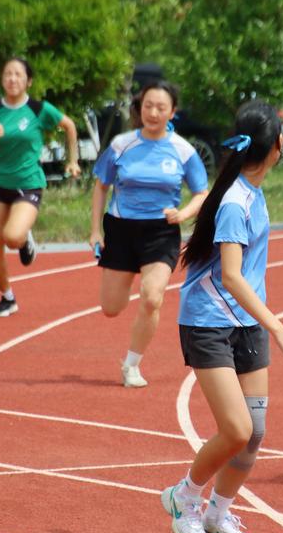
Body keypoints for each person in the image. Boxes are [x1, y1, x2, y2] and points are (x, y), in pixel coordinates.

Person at [160, 100, 283, 533]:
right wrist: (279, 328)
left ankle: (217, 514)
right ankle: (185, 495)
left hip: (245, 323)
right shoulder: (234, 202)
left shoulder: (252, 193)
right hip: (209, 323)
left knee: (254, 434)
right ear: (277, 144)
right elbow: (231, 276)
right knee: (237, 430)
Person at [89, 80, 208, 388]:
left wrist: (183, 214)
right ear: (139, 108)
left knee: (152, 297)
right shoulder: (122, 144)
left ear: (172, 112)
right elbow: (101, 186)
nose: (153, 113)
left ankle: (131, 365)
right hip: (121, 229)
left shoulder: (182, 150)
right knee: (111, 308)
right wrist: (95, 231)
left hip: (161, 231)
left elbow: (201, 193)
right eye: (148, 106)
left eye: (161, 107)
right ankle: (126, 277)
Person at [0, 57, 81, 317]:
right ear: (2, 79)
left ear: (28, 81)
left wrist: (73, 160)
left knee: (12, 237)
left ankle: (24, 239)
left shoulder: (38, 109)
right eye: (7, 74)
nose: (12, 79)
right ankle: (7, 298)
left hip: (28, 184)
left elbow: (69, 125)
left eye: (18, 74)